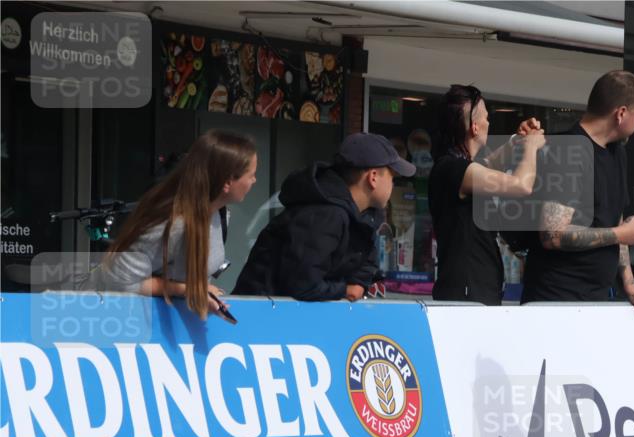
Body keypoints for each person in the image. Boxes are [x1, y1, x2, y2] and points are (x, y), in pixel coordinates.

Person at [520, 70, 634, 320]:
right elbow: (552, 235)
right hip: (556, 301)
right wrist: (620, 235)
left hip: (594, 298)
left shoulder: (617, 152)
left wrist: (630, 286)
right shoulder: (569, 152)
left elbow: (615, 219)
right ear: (621, 113)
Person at [94, 129, 257, 320]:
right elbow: (119, 280)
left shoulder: (219, 213)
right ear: (228, 182)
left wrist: (201, 292)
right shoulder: (174, 224)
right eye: (251, 175)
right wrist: (185, 290)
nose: (254, 180)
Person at [234, 133, 414, 301]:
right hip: (260, 318)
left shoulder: (366, 217)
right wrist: (345, 290)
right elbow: (301, 283)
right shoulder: (324, 214)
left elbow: (365, 265)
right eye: (392, 177)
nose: (392, 184)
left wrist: (358, 283)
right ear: (373, 177)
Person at [429, 84, 546, 305]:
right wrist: (531, 147)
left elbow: (488, 164)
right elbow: (521, 185)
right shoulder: (453, 168)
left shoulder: (457, 165)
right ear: (475, 127)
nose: (489, 123)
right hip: (467, 293)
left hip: (475, 289)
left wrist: (517, 141)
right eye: (486, 117)